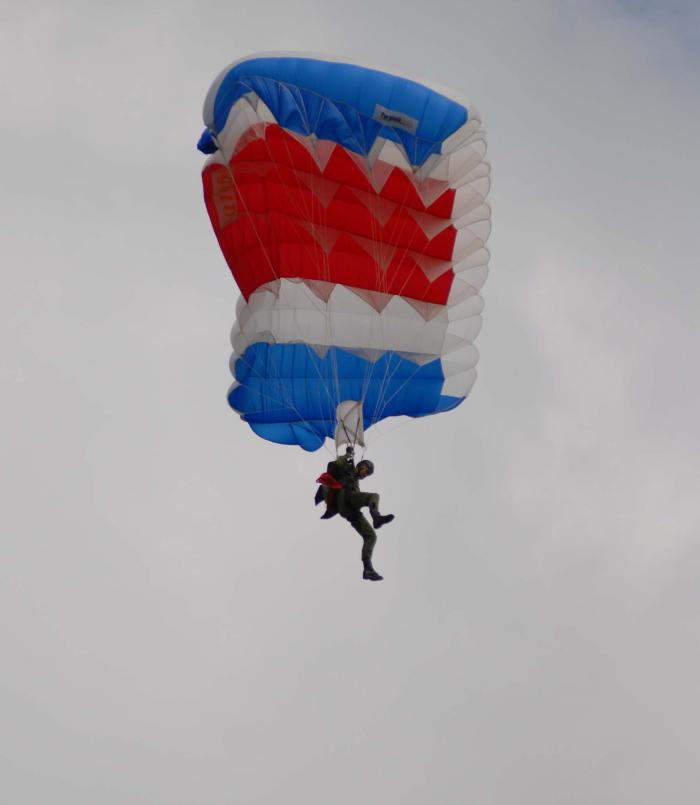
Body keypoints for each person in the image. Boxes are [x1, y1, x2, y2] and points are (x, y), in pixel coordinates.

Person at [315, 446, 395, 581]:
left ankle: (368, 569)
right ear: (360, 466)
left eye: (368, 474)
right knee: (373, 496)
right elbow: (335, 464)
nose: (365, 474)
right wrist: (348, 455)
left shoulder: (356, 480)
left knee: (371, 536)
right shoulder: (347, 469)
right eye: (366, 470)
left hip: (350, 511)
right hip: (345, 497)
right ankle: (376, 517)